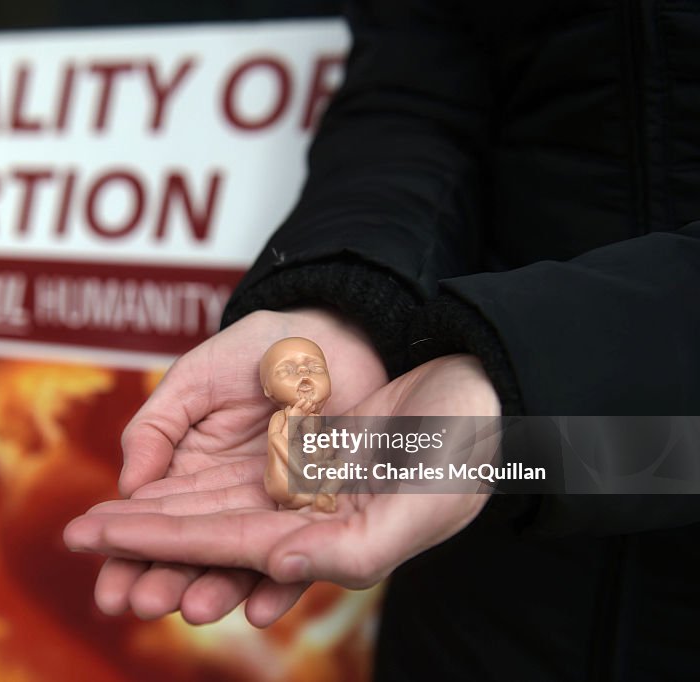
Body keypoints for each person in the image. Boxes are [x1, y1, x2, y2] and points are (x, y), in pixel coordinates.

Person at [65, 0, 700, 679]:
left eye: (306, 373)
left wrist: (525, 370)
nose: (304, 385)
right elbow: (416, 99)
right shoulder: (319, 438)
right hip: (484, 549)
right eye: (296, 375)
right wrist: (347, 297)